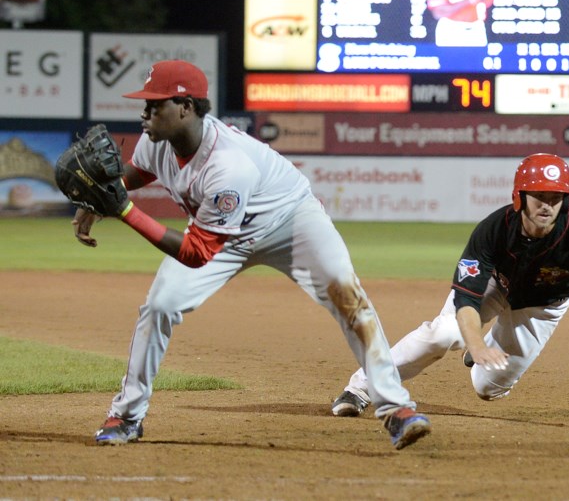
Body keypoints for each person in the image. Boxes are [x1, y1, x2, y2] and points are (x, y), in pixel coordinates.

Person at [71, 60, 430, 449]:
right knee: (160, 305)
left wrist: (122, 209)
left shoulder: (228, 164)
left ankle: (396, 409)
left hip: (290, 221)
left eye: (155, 105)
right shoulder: (155, 141)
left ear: (186, 107)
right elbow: (139, 172)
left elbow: (194, 254)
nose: (145, 113)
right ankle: (126, 416)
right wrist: (102, 196)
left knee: (348, 297)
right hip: (224, 232)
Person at [328, 153, 569, 417]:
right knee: (443, 333)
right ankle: (360, 389)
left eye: (555, 197)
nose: (547, 204)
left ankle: (484, 353)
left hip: (544, 306)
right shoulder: (493, 230)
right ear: (520, 195)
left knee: (488, 389)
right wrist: (475, 344)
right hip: (494, 286)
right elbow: (466, 301)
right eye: (538, 195)